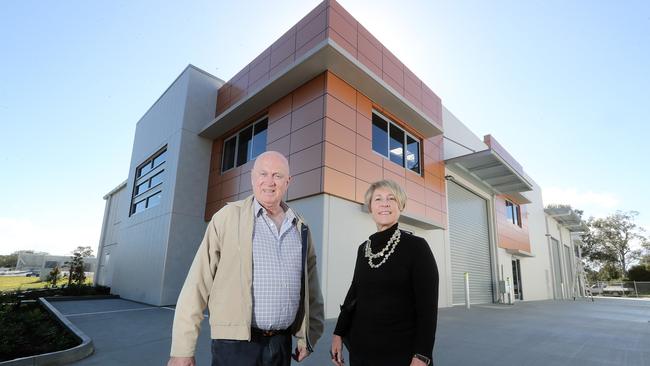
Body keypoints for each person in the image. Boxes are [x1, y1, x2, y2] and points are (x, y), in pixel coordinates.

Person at [168, 151, 324, 366]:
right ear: (252, 177)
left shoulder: (300, 226)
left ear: (288, 182)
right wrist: (182, 349)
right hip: (235, 345)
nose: (269, 182)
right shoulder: (227, 217)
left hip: (280, 343)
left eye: (278, 176)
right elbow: (197, 283)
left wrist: (309, 335)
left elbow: (311, 286)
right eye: (263, 174)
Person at [330, 179, 439, 366]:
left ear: (401, 205)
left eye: (391, 199)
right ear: (370, 207)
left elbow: (427, 308)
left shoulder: (417, 247)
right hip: (362, 352)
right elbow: (354, 294)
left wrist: (422, 354)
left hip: (401, 354)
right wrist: (338, 333)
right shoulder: (363, 249)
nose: (385, 203)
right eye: (378, 199)